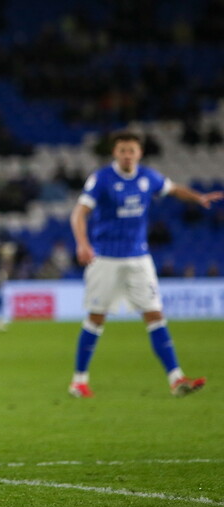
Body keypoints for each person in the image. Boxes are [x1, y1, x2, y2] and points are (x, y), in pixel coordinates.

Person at [68, 130, 223, 398]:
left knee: (155, 315)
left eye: (131, 151)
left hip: (139, 259)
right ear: (114, 154)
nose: (127, 155)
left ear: (139, 153)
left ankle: (176, 379)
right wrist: (82, 243)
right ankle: (79, 381)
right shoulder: (102, 179)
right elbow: (79, 212)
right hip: (104, 258)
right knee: (96, 318)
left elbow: (173, 189)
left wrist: (198, 198)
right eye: (122, 151)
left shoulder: (148, 177)